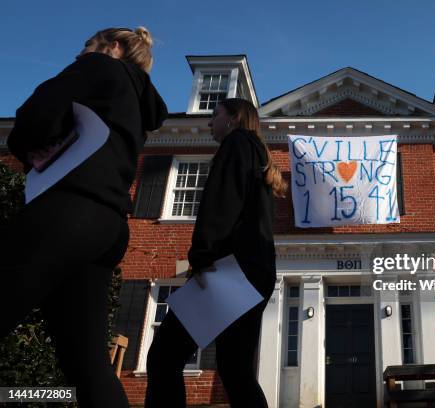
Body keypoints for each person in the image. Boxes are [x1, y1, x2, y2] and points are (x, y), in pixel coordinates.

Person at [0, 27, 168, 407]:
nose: (80, 54)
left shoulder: (99, 67)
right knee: (88, 364)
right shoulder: (141, 105)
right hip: (109, 226)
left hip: (68, 209)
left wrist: (31, 147)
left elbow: (34, 118)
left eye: (87, 46)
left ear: (113, 46)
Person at [144, 98, 287, 408]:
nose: (210, 123)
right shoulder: (259, 154)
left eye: (215, 115)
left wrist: (201, 256)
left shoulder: (236, 143)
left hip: (227, 270)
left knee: (163, 357)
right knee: (235, 369)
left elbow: (221, 204)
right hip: (255, 272)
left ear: (233, 118)